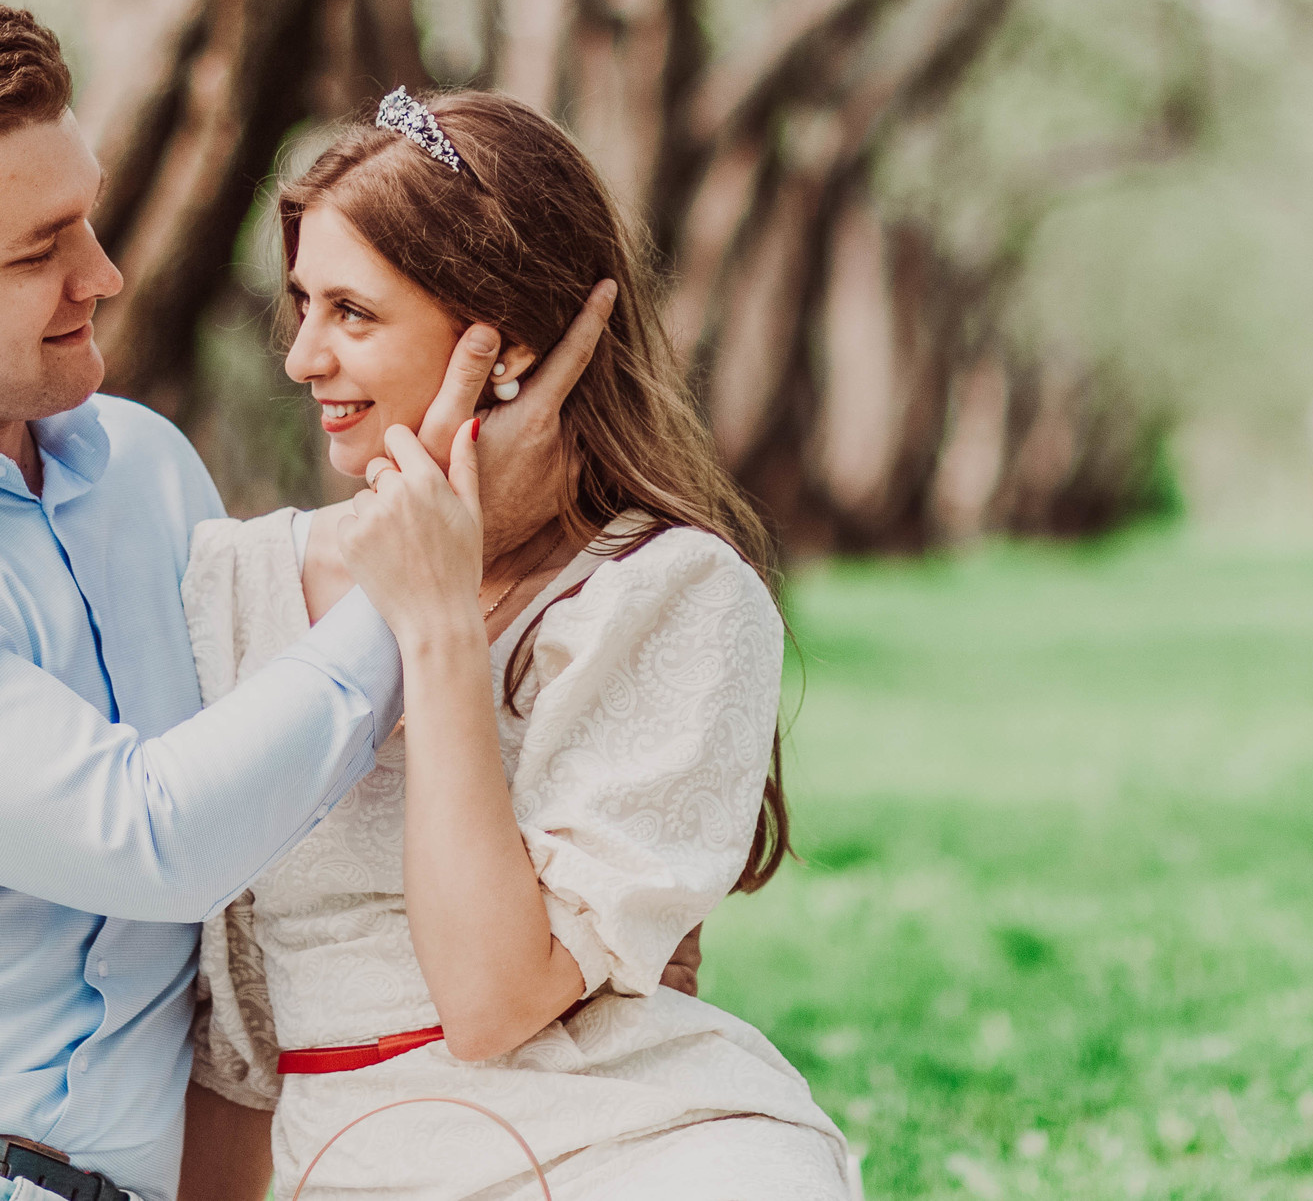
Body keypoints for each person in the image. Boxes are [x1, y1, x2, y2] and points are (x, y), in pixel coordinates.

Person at [0, 0, 607, 1201]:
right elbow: (153, 839)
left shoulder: (144, 470)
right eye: (38, 251)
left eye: (85, 218)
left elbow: (287, 801)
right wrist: (416, 594)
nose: (103, 273)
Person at [180, 90, 859, 1201]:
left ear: (507, 345)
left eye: (353, 312)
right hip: (349, 1160)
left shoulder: (673, 598)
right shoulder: (230, 584)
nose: (302, 357)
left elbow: (493, 999)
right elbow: (234, 1045)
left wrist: (439, 621)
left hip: (634, 1143)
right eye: (300, 303)